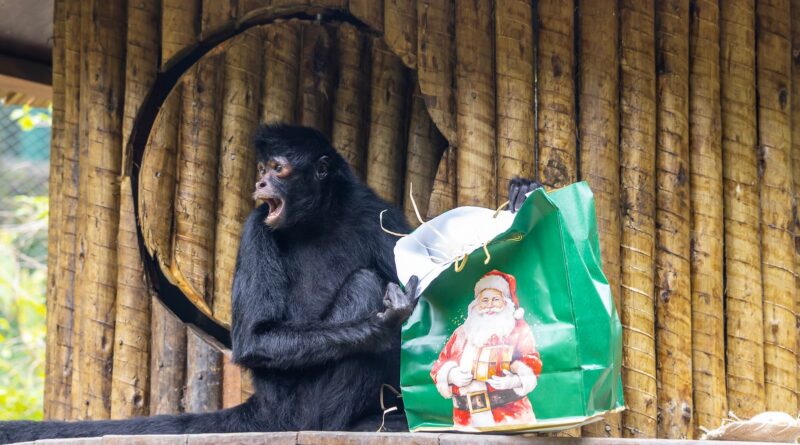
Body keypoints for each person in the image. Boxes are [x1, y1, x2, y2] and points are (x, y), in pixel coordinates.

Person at [430, 270, 541, 428]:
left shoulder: (517, 330)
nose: (489, 306)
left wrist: (514, 381)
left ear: (506, 302)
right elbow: (439, 365)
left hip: (510, 417)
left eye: (495, 299)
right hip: (465, 421)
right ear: (476, 304)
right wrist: (451, 375)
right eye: (484, 300)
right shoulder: (461, 333)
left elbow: (532, 362)